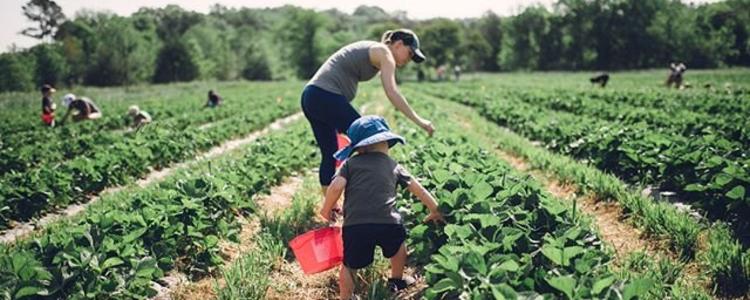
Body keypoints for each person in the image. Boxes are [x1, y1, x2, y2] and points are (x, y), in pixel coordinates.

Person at [319, 115, 445, 300]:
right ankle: (396, 279)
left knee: (349, 265)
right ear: (385, 142)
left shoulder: (350, 164)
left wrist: (326, 208)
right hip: (388, 222)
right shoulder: (393, 165)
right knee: (398, 248)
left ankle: (346, 296)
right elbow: (418, 188)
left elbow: (336, 186)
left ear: (359, 148)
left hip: (355, 225)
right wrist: (435, 209)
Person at [301, 29, 435, 196]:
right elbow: (392, 93)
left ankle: (330, 208)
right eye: (409, 54)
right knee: (374, 142)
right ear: (398, 44)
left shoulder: (377, 51)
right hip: (326, 96)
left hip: (310, 97)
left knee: (330, 153)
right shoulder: (384, 52)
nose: (409, 60)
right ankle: (377, 197)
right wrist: (421, 122)